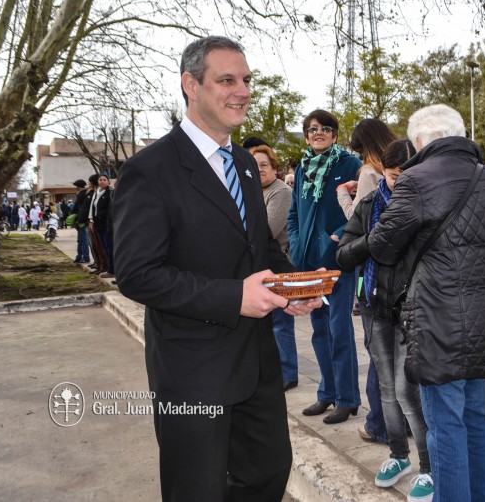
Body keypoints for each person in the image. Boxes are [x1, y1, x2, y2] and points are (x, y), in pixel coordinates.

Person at [112, 36, 322, 502]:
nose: (242, 90)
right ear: (191, 85)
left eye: (246, 80)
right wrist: (234, 298)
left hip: (257, 364)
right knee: (198, 489)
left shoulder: (245, 163)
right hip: (193, 368)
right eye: (227, 80)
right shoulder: (150, 170)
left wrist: (294, 286)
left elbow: (259, 246)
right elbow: (137, 273)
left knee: (268, 473)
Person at [367, 104, 485, 502]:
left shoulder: (415, 179)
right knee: (481, 421)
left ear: (418, 142)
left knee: (446, 427)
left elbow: (383, 246)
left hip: (440, 322)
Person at [337, 139, 435, 502]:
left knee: (409, 392)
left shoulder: (428, 205)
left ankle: (429, 468)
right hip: (376, 306)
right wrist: (372, 241)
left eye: (408, 176)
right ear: (384, 173)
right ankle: (398, 456)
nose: (401, 184)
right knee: (387, 390)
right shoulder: (368, 205)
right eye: (395, 177)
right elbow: (344, 254)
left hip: (414, 311)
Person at [288, 109, 362, 424]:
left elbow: (359, 213)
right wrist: (294, 242)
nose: (319, 132)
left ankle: (347, 399)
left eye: (325, 128)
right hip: (307, 263)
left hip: (337, 262)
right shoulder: (303, 169)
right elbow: (294, 213)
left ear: (334, 134)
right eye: (313, 128)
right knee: (319, 332)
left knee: (338, 330)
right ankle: (327, 394)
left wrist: (336, 240)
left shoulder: (350, 165)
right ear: (306, 135)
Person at [337, 118, 397, 445]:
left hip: (373, 276)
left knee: (377, 352)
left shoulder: (369, 174)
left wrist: (342, 196)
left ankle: (379, 424)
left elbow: (357, 222)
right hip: (401, 278)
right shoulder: (403, 167)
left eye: (359, 150)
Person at [249, 143, 299, 391]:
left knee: (281, 322)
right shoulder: (253, 191)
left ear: (274, 167)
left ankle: (288, 372)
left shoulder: (280, 192)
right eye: (254, 165)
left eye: (264, 165)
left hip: (279, 264)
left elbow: (267, 228)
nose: (259, 170)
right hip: (261, 268)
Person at [91, 174, 115, 279]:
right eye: (100, 180)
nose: (102, 181)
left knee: (109, 247)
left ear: (108, 182)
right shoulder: (97, 193)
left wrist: (100, 216)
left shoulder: (110, 193)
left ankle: (112, 270)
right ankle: (109, 268)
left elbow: (110, 208)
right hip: (98, 224)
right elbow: (94, 208)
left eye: (104, 179)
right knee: (104, 247)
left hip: (106, 224)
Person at [71, 179, 91, 264]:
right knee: (80, 239)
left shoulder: (82, 194)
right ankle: (80, 256)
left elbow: (81, 209)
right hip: (81, 219)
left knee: (83, 239)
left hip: (81, 219)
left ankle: (85, 257)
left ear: (78, 187)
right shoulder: (84, 194)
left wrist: (79, 220)